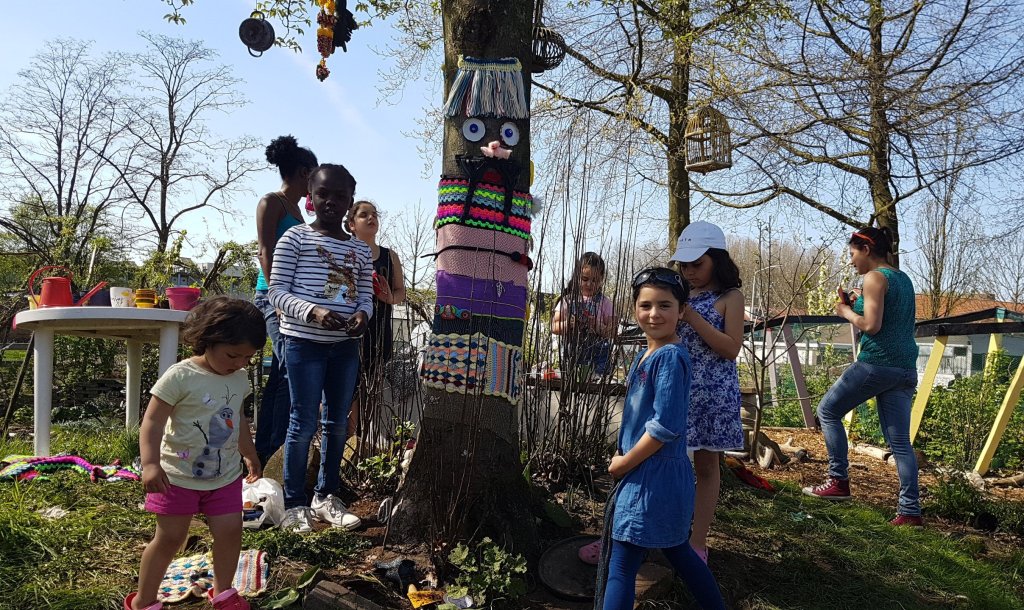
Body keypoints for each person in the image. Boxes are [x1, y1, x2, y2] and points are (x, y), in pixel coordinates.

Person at [594, 267, 725, 610]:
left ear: (682, 311)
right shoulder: (647, 353)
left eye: (665, 305)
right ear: (634, 309)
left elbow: (664, 427)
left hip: (651, 477)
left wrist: (624, 463)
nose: (654, 314)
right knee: (678, 551)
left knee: (622, 564)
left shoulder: (668, 358)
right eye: (646, 305)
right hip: (655, 475)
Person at [125, 297, 266, 610]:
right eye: (233, 355)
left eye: (247, 357)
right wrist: (150, 464)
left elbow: (238, 418)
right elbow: (152, 421)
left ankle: (224, 591)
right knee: (170, 538)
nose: (239, 363)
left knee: (230, 532)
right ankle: (144, 600)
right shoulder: (181, 376)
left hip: (225, 476)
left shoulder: (239, 378)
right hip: (176, 477)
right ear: (208, 340)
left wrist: (249, 452)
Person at [268, 163, 372, 533]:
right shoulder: (294, 239)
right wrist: (313, 312)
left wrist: (362, 314)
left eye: (340, 196)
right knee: (302, 421)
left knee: (337, 422)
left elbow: (366, 296)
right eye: (323, 194)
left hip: (343, 347)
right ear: (310, 197)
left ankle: (326, 497)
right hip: (303, 343)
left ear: (350, 201)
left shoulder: (360, 250)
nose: (331, 201)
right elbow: (276, 292)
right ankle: (294, 503)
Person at [803, 226, 922, 527]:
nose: (851, 260)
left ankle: (838, 481)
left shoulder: (873, 277)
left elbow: (871, 325)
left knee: (827, 411)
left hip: (876, 364)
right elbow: (889, 315)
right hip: (905, 368)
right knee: (900, 443)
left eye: (853, 253)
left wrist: (844, 310)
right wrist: (858, 299)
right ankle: (910, 511)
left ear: (866, 250)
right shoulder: (903, 279)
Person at [669, 221, 745, 564]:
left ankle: (697, 542)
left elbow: (731, 348)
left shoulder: (731, 297)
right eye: (684, 265)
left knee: (707, 466)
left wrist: (692, 318)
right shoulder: (681, 295)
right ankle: (664, 531)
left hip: (713, 396)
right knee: (667, 461)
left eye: (697, 264)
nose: (689, 272)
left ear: (717, 259)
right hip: (679, 389)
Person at [253, 135, 318, 467]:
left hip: (293, 301)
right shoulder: (272, 202)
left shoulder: (297, 210)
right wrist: (277, 297)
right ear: (304, 172)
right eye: (315, 176)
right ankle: (273, 448)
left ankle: (267, 451)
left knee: (281, 375)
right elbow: (265, 251)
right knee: (290, 369)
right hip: (271, 297)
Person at [345, 200, 406, 436]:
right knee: (349, 386)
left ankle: (364, 439)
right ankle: (350, 439)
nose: (371, 218)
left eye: (374, 214)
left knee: (372, 387)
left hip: (380, 333)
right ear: (352, 224)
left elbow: (401, 292)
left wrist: (388, 297)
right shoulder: (345, 252)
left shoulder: (390, 256)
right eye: (363, 215)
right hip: (349, 332)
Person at [551, 252, 616, 378]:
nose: (589, 284)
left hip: (599, 360)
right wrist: (569, 323)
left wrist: (597, 326)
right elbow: (554, 327)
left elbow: (613, 331)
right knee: (573, 381)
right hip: (572, 356)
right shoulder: (567, 300)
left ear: (602, 280)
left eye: (595, 280)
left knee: (596, 385)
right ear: (577, 277)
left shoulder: (605, 303)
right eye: (585, 279)